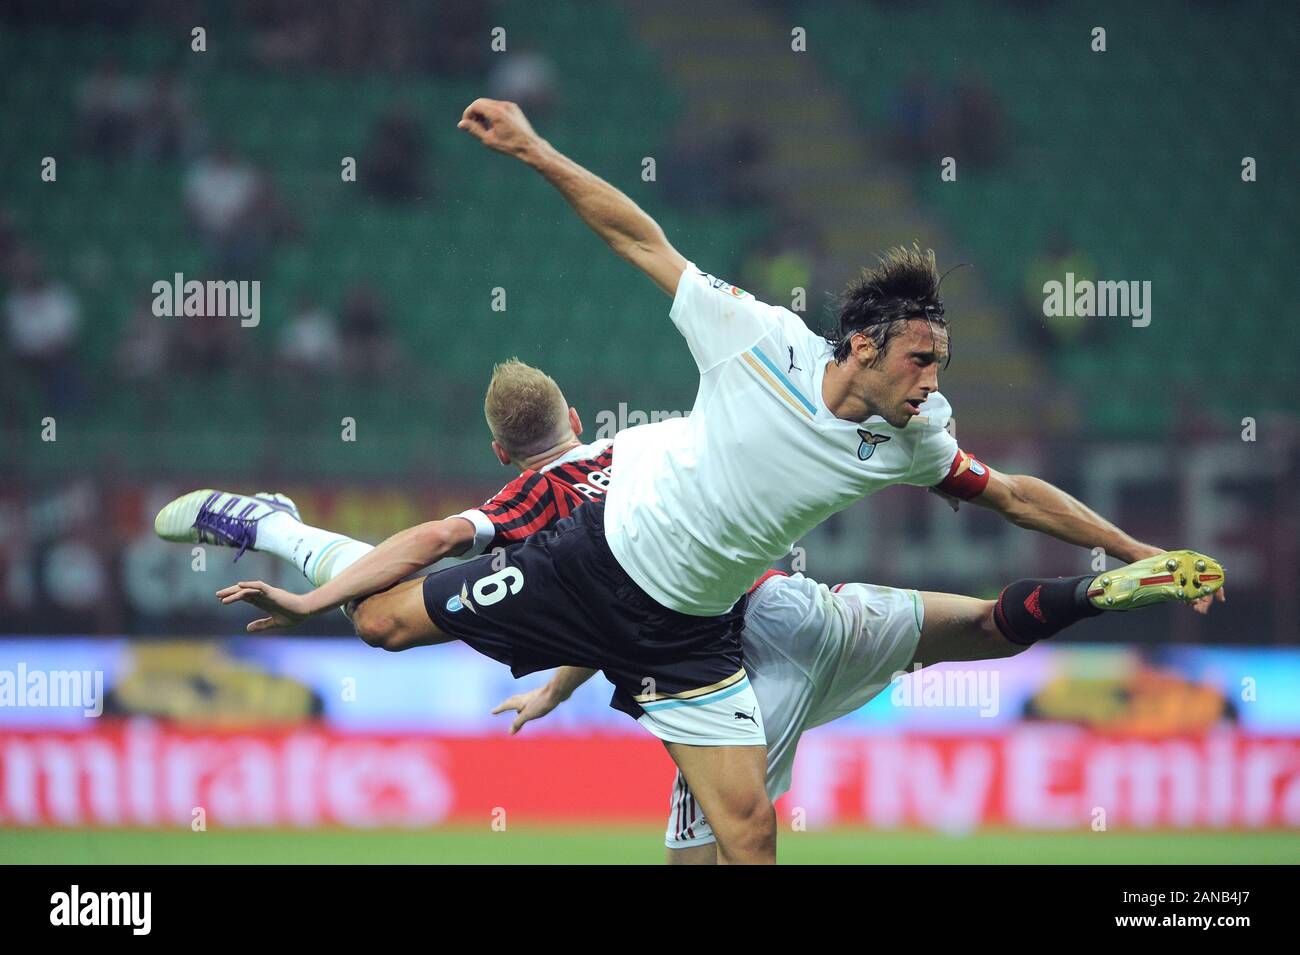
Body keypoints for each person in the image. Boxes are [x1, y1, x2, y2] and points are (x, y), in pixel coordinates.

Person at [160, 96, 1227, 863]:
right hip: (591, 567)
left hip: (692, 633)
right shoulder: (756, 339)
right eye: (918, 358)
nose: (933, 380)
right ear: (858, 344)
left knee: (748, 834)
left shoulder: (915, 432)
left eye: (939, 362)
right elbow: (640, 234)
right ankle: (282, 530)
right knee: (379, 627)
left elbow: (1014, 495)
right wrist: (534, 149)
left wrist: (1132, 553)